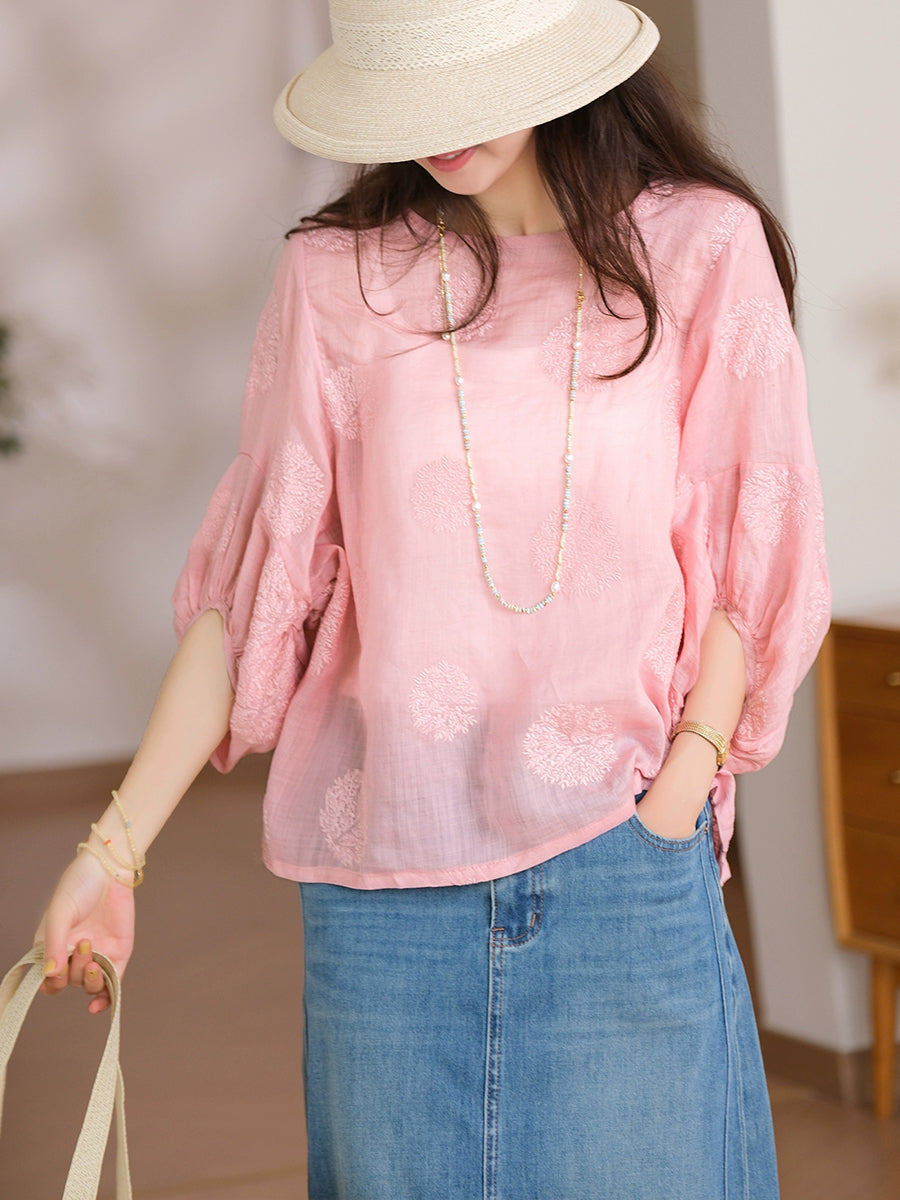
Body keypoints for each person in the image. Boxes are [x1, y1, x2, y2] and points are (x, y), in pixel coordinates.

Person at [34, 2, 830, 1197]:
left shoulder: (703, 250)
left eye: (467, 89)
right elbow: (258, 589)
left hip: (621, 853)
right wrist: (113, 850)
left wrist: (683, 783)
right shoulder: (337, 278)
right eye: (408, 98)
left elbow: (749, 537)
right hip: (384, 890)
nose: (439, 131)